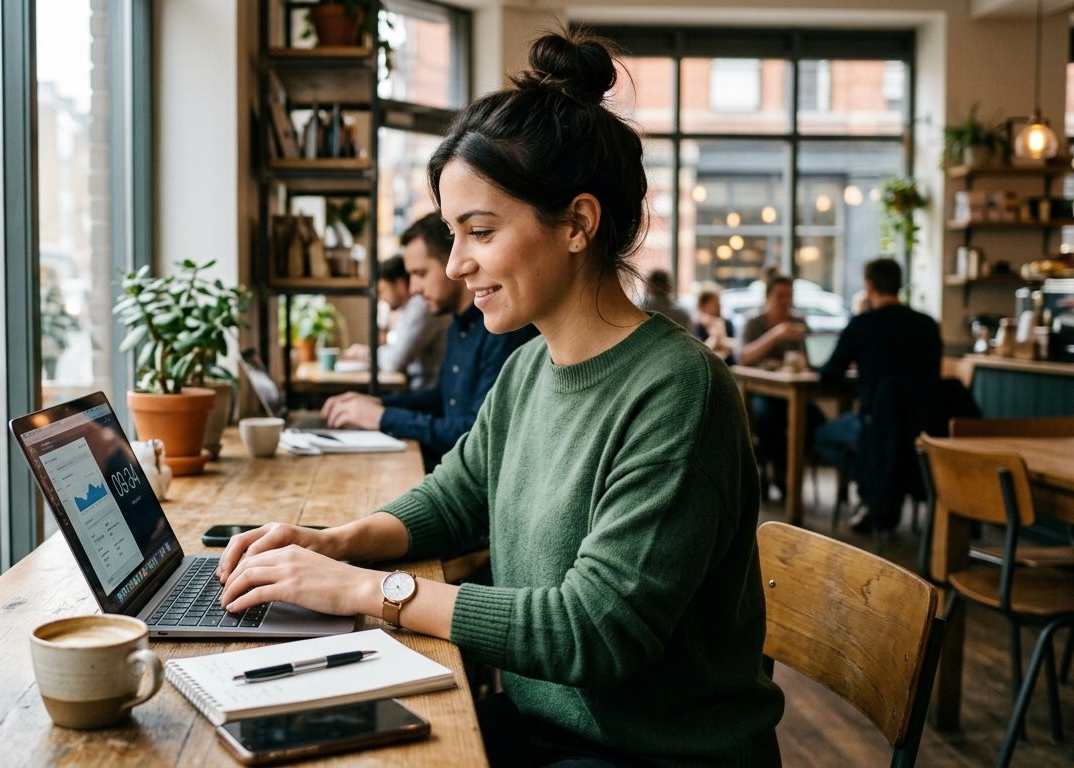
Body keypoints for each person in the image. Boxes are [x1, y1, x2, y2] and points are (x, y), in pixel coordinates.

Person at [217, 31, 782, 767]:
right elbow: (456, 500)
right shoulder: (529, 368)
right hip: (543, 727)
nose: (457, 264)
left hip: (651, 755)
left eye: (479, 231)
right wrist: (333, 543)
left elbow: (591, 632)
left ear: (578, 224)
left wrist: (364, 590)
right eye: (453, 234)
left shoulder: (679, 391)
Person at [320, 212, 537, 471]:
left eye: (420, 274)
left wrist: (383, 417)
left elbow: (475, 435)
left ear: (451, 263)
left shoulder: (501, 331)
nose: (413, 288)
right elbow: (442, 399)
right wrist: (377, 405)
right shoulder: (457, 326)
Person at [815, 258, 941, 532]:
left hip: (875, 425)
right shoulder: (927, 325)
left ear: (869, 286)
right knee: (875, 437)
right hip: (924, 427)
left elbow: (830, 374)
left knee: (822, 435)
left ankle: (871, 483)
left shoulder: (863, 325)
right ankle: (882, 484)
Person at [738, 276, 821, 495]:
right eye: (780, 296)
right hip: (762, 392)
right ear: (768, 297)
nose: (786, 301)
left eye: (789, 296)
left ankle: (790, 471)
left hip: (794, 392)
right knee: (768, 418)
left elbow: (812, 357)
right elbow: (743, 357)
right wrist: (775, 335)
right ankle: (776, 471)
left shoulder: (798, 322)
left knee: (814, 418)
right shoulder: (754, 322)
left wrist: (805, 358)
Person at [342, 254, 450, 391]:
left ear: (399, 284)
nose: (380, 298)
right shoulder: (409, 309)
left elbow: (395, 361)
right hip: (417, 387)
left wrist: (366, 354)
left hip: (424, 391)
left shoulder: (421, 305)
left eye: (382, 291)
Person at [693, 288, 735, 362]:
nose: (719, 306)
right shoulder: (697, 326)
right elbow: (701, 354)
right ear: (703, 305)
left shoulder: (727, 322)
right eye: (714, 303)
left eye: (719, 301)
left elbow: (736, 347)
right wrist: (715, 337)